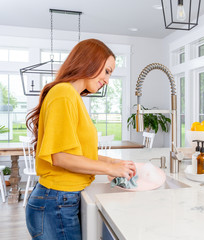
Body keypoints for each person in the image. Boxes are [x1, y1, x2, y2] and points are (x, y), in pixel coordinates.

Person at [25, 38, 136, 240]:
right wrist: (111, 169)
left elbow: (79, 154)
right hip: (55, 201)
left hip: (59, 200)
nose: (107, 80)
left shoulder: (71, 95)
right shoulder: (63, 93)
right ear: (90, 61)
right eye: (107, 71)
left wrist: (114, 162)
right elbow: (61, 157)